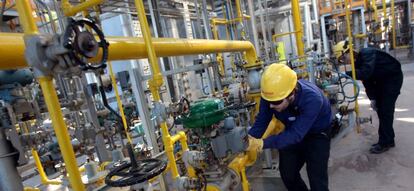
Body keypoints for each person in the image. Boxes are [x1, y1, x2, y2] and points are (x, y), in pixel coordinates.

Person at [246, 64, 332, 191]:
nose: (271, 106)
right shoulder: (272, 95)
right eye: (268, 101)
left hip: (317, 134)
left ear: (292, 93)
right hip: (292, 130)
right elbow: (262, 121)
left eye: (276, 102)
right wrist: (249, 140)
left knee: (317, 180)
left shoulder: (313, 99)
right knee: (288, 174)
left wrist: (262, 144)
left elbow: (296, 135)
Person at [333, 41, 403, 154]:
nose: (343, 61)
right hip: (381, 80)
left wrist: (345, 73)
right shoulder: (358, 64)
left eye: (342, 58)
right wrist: (373, 99)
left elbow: (365, 73)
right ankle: (389, 140)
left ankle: (384, 142)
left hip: (392, 78)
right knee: (381, 110)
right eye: (341, 60)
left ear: (348, 52)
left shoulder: (367, 53)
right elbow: (367, 82)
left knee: (385, 111)